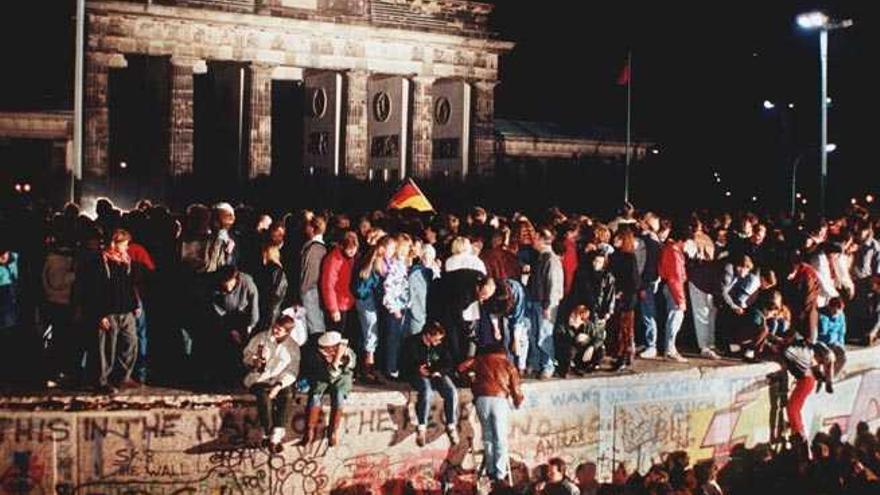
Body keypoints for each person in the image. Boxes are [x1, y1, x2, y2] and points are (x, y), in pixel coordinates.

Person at [458, 343, 524, 486]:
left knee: (487, 436)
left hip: (481, 399)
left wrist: (471, 381)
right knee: (500, 438)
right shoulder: (507, 363)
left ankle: (490, 469)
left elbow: (461, 367)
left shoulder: (480, 359)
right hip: (499, 400)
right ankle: (500, 473)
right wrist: (518, 401)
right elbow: (516, 387)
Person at [242, 314, 300, 453]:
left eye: (279, 330)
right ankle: (268, 432)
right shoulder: (261, 338)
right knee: (264, 396)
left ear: (287, 332)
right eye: (275, 328)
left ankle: (277, 434)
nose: (275, 331)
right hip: (260, 378)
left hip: (280, 379)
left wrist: (279, 385)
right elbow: (246, 355)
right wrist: (252, 361)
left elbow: (292, 370)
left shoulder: (292, 346)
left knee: (287, 395)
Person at [94, 229, 140, 394]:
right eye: (124, 244)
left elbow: (129, 285)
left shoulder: (125, 261)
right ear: (114, 243)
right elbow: (96, 289)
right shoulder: (101, 261)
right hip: (109, 311)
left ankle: (122, 377)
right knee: (107, 348)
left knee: (131, 342)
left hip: (126, 310)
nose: (126, 247)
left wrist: (135, 305)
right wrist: (100, 314)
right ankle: (102, 381)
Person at [400, 322, 459, 447]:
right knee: (427, 391)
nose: (439, 342)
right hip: (417, 374)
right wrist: (417, 369)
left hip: (436, 373)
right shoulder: (411, 343)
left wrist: (439, 372)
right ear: (427, 336)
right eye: (436, 339)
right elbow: (404, 364)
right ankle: (422, 427)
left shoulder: (441, 345)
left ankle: (451, 425)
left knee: (451, 391)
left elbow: (448, 363)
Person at [204, 265, 260, 386]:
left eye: (230, 284)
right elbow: (216, 308)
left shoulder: (247, 283)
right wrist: (230, 329)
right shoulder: (215, 285)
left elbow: (254, 306)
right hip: (225, 317)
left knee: (245, 348)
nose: (228, 288)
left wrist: (250, 326)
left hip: (243, 316)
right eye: (225, 285)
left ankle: (242, 378)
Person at [301, 331, 356, 447]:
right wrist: (333, 362)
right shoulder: (317, 355)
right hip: (323, 377)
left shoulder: (348, 353)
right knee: (315, 396)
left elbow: (349, 366)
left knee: (339, 397)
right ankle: (310, 430)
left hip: (341, 379)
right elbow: (327, 374)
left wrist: (337, 359)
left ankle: (333, 431)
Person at [526, 227, 564, 379]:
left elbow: (553, 284)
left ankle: (548, 366)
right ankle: (537, 363)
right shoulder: (541, 257)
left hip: (545, 304)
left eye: (535, 237)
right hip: (537, 302)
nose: (532, 240)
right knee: (535, 334)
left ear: (542, 240)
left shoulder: (550, 259)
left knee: (544, 334)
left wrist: (548, 305)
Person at [353, 238, 390, 383]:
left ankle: (365, 367)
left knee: (366, 333)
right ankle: (368, 367)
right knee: (370, 333)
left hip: (363, 302)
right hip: (368, 303)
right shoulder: (373, 271)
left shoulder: (364, 266)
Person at [684, 217, 721, 360]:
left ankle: (704, 346)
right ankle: (710, 344)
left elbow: (689, 257)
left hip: (698, 279)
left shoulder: (690, 241)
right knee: (711, 313)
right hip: (711, 280)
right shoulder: (708, 238)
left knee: (701, 314)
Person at [381, 233, 412, 379]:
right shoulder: (394, 264)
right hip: (396, 307)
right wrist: (394, 308)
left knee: (400, 338)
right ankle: (391, 368)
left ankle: (397, 367)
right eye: (405, 247)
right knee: (393, 339)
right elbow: (388, 287)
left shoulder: (404, 263)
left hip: (404, 306)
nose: (406, 250)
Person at [320, 231, 358, 343]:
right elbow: (328, 285)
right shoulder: (333, 260)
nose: (352, 251)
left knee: (345, 338)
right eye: (349, 248)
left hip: (348, 302)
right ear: (341, 246)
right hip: (338, 305)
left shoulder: (351, 258)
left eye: (354, 248)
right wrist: (333, 309)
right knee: (336, 337)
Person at [658, 224, 689, 362]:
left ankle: (670, 348)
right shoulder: (673, 252)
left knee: (673, 318)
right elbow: (674, 278)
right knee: (675, 318)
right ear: (681, 240)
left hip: (671, 287)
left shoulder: (670, 249)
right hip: (673, 289)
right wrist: (680, 299)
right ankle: (670, 349)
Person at [636, 212, 662, 359]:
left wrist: (643, 284)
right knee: (646, 312)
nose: (639, 223)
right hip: (650, 281)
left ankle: (651, 345)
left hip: (647, 281)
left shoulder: (648, 241)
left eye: (642, 221)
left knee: (648, 313)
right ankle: (647, 343)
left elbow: (649, 265)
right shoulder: (653, 239)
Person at [555, 305, 605, 376]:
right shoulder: (563, 326)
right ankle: (566, 369)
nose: (571, 318)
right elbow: (559, 340)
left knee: (601, 349)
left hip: (584, 353)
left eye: (574, 316)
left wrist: (591, 346)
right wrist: (575, 339)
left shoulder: (588, 325)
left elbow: (599, 338)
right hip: (571, 352)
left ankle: (588, 367)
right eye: (571, 315)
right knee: (570, 351)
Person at [300, 215, 328, 336]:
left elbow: (309, 273)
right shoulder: (316, 246)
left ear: (312, 228)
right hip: (312, 289)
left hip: (310, 290)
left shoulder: (314, 248)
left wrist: (302, 290)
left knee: (315, 326)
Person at [253, 243, 288, 333]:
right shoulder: (272, 270)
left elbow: (276, 297)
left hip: (270, 313)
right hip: (269, 312)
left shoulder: (275, 271)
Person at [204, 202, 238, 273]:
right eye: (213, 217)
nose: (214, 222)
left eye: (218, 218)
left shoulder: (235, 239)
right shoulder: (205, 237)